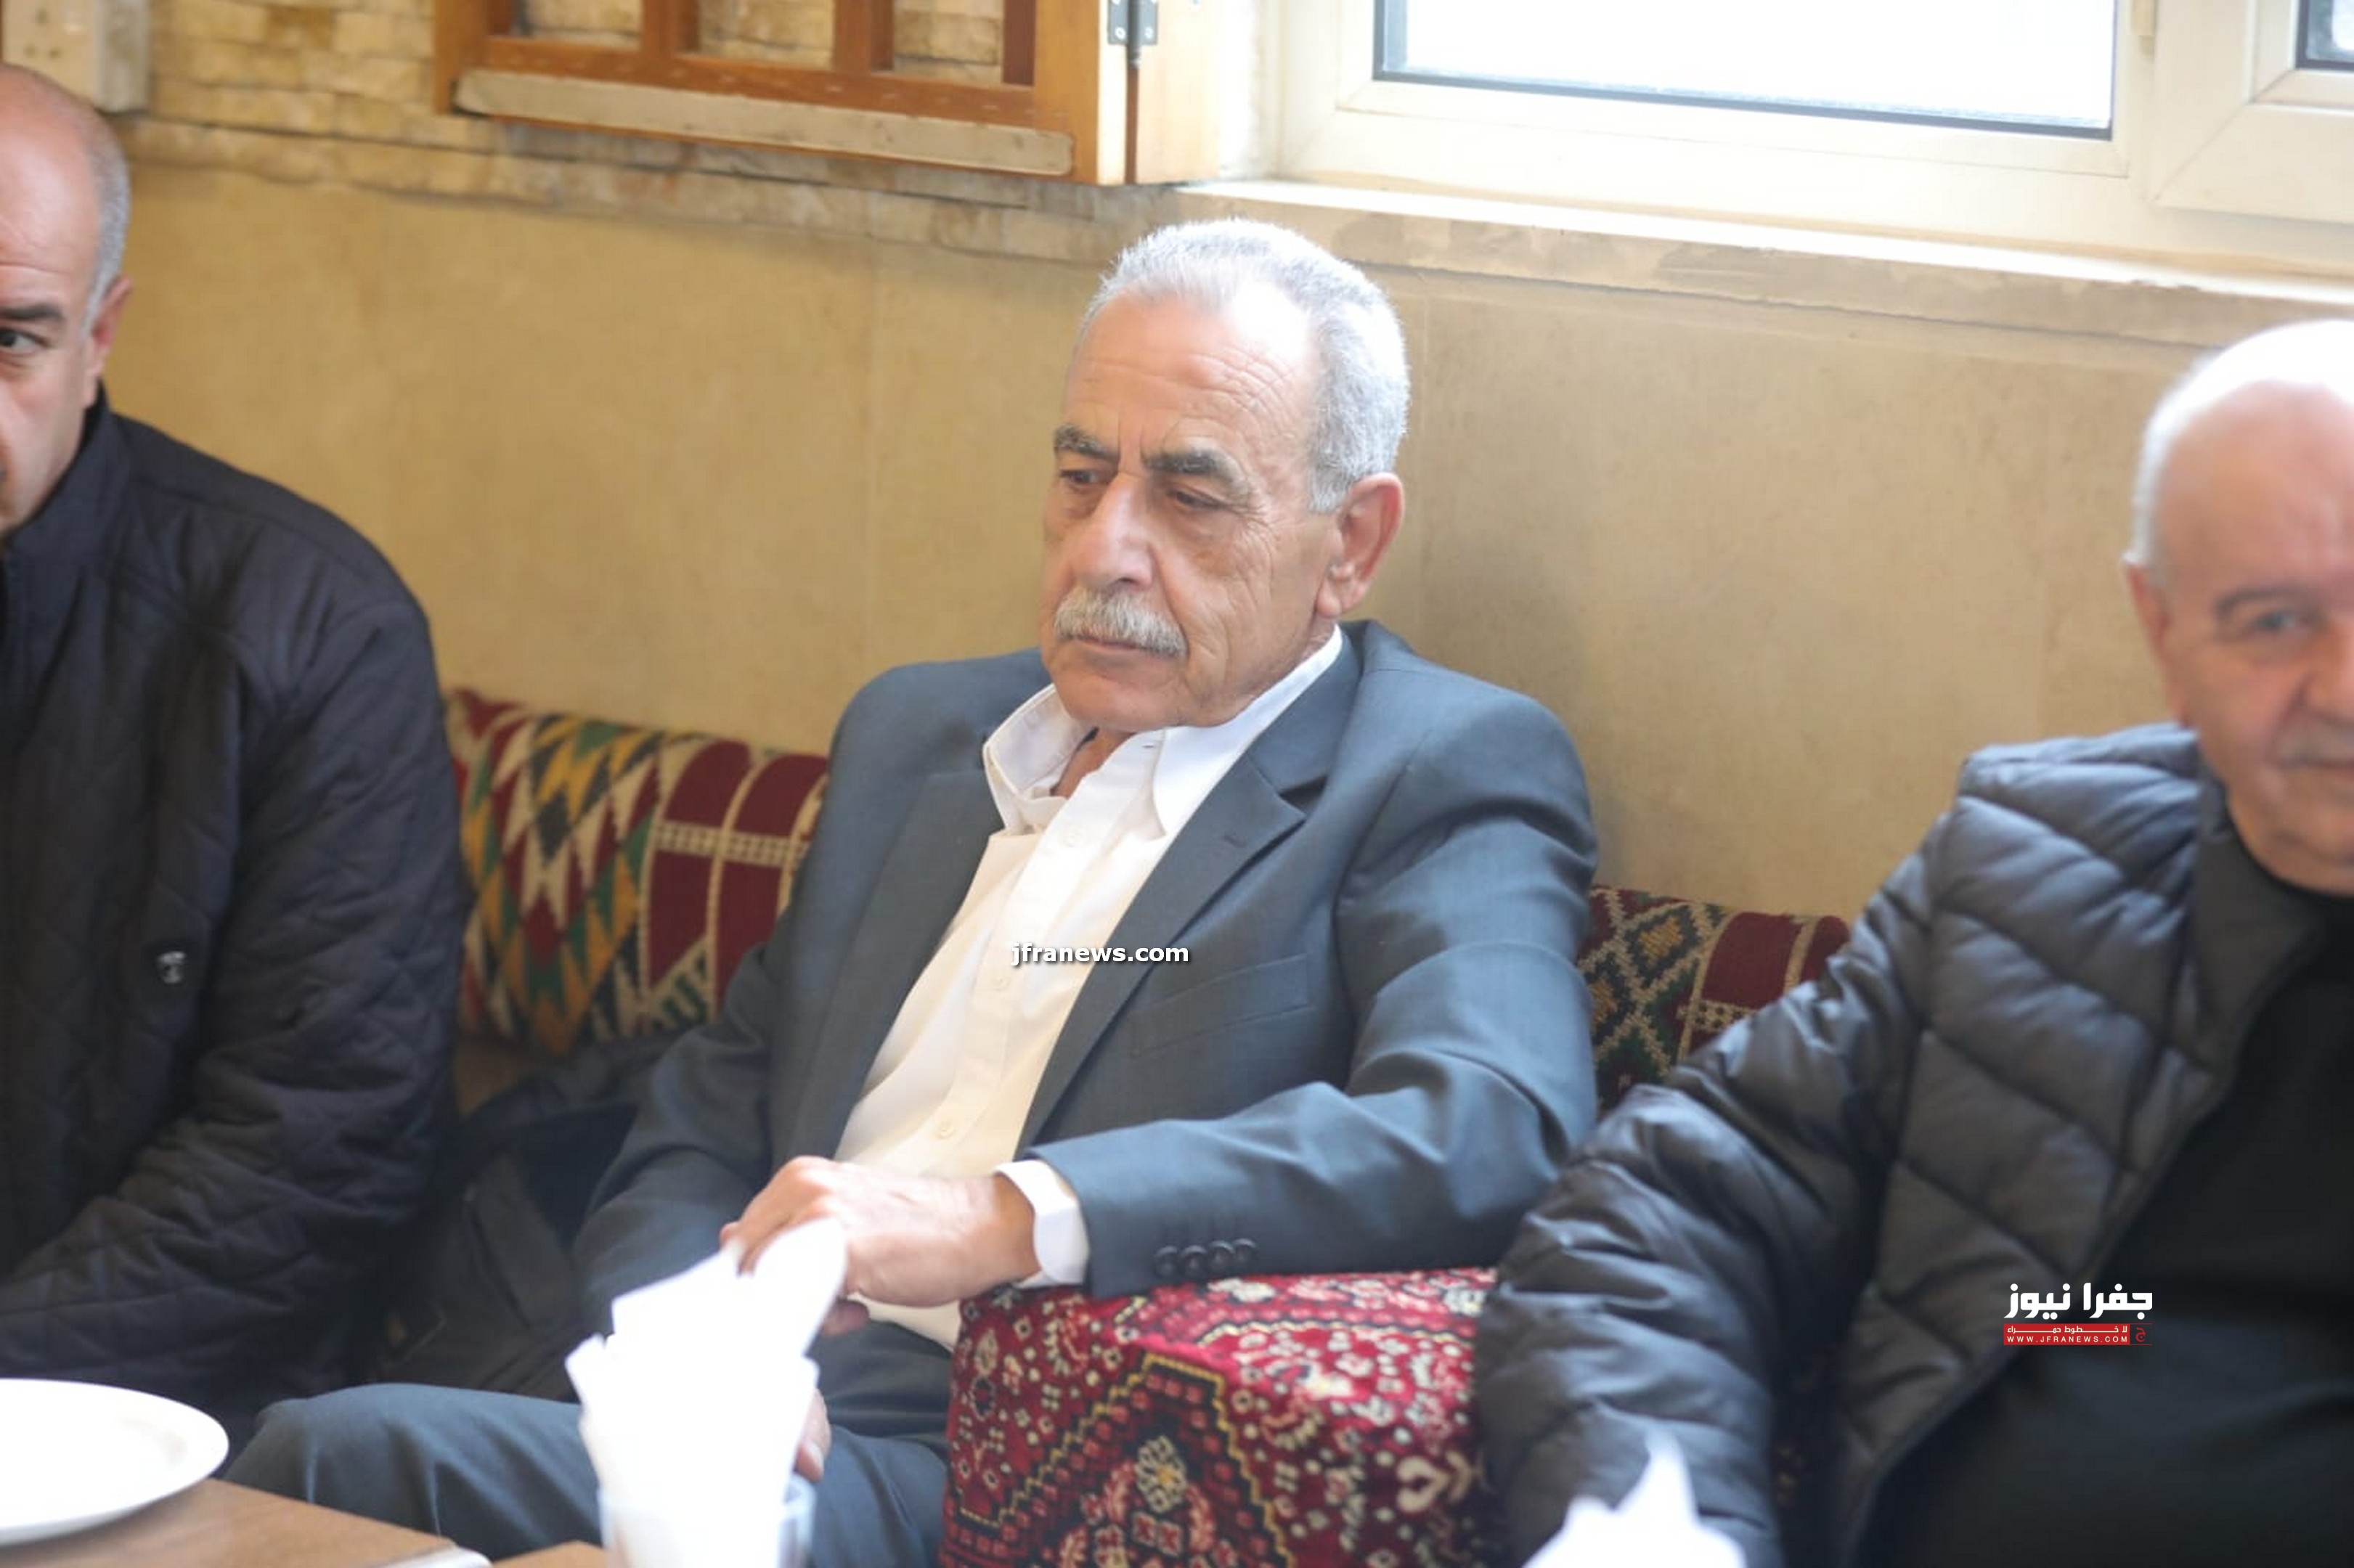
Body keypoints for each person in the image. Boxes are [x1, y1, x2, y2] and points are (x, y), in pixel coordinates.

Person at [228, 218, 1599, 1564]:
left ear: (1349, 541)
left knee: (340, 1462)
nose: (1105, 548)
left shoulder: (1428, 766)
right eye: (1080, 477)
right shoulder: (916, 737)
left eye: (1190, 498)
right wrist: (705, 1348)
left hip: (1023, 1456)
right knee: (312, 1454)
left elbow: (1491, 1122)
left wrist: (997, 1218)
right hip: (763, 1410)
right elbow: (702, 1117)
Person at [1476, 318, 2354, 1568]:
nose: (2343, 688)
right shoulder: (2030, 872)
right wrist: (1651, 1525)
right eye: (2272, 622)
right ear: (2162, 635)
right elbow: (1664, 1216)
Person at [0, 65, 463, 1437]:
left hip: (153, 1419)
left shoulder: (306, 630)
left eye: (11, 340)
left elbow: (314, 1155)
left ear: (100, 336)